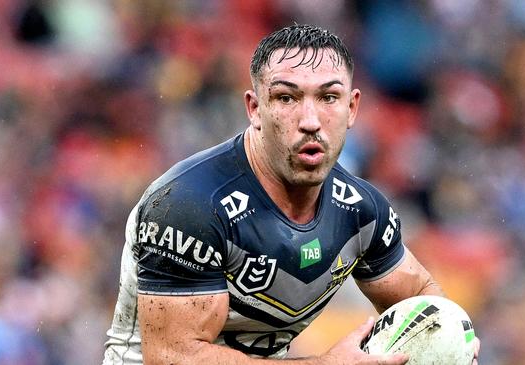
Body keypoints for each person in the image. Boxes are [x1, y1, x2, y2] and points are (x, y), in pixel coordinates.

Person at [103, 24, 478, 364]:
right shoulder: (188, 206)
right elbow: (173, 358)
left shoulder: (361, 212)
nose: (310, 121)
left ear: (352, 108)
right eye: (286, 98)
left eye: (329, 98)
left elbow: (423, 300)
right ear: (255, 108)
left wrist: (452, 341)